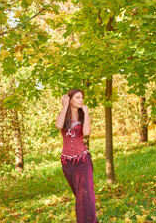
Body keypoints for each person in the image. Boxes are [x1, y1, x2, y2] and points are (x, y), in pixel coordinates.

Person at [55, 89, 98, 223]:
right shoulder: (62, 115)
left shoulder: (84, 116)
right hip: (67, 163)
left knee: (85, 195)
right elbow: (59, 125)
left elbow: (86, 132)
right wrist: (64, 106)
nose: (81, 100)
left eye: (82, 98)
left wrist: (86, 112)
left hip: (83, 160)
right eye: (78, 97)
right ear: (70, 100)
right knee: (79, 196)